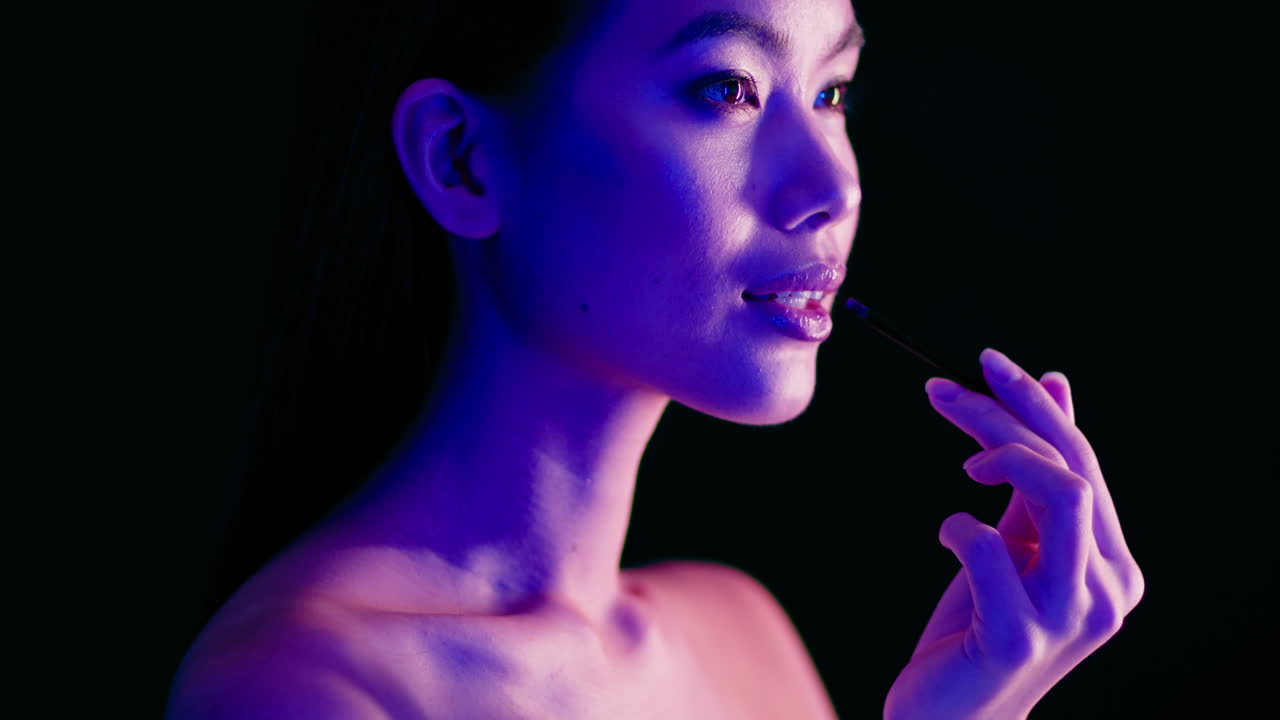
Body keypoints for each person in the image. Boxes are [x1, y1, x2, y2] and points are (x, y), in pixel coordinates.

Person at [165, 0, 1145, 717]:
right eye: (726, 88)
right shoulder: (303, 692)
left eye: (830, 90)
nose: (829, 185)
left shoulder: (742, 638)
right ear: (461, 156)